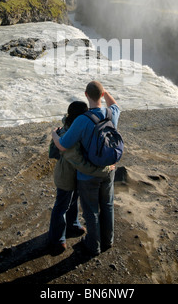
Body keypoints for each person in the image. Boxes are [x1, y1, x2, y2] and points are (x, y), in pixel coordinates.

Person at [52, 81, 121, 257]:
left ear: (86, 95)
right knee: (107, 205)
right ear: (102, 94)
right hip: (109, 169)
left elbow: (63, 145)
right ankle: (108, 240)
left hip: (87, 175)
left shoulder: (82, 120)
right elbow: (116, 105)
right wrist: (105, 94)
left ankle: (93, 246)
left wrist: (54, 135)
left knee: (91, 211)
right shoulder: (110, 113)